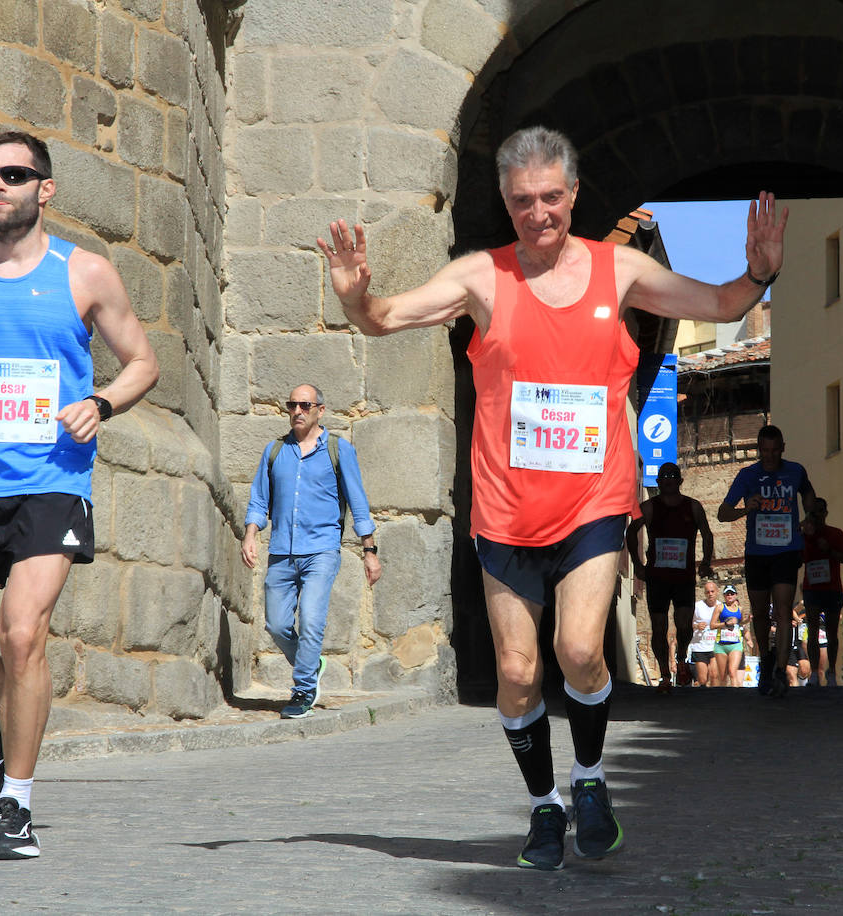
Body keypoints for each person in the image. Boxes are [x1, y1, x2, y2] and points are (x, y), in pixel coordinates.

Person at [317, 125, 786, 870]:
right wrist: (355, 297)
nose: (538, 214)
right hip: (505, 508)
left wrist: (757, 275)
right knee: (515, 671)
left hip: (594, 503)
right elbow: (385, 318)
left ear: (573, 193)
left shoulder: (619, 270)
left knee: (576, 649)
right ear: (506, 203)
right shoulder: (481, 278)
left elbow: (724, 302)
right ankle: (545, 805)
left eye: (550, 198)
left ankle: (592, 780)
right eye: (522, 201)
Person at [0, 131, 159, 860]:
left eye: (14, 174)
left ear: (45, 189)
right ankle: (16, 714)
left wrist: (101, 403)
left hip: (53, 481)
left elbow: (143, 361)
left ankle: (16, 802)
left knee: (22, 634)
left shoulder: (86, 274)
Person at [241, 385, 382, 719]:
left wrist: (370, 551)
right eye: (292, 405)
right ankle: (312, 662)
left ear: (321, 409)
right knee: (276, 625)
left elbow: (358, 502)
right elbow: (260, 499)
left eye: (305, 405)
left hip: (322, 549)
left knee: (312, 620)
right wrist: (250, 535)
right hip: (281, 551)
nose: (297, 411)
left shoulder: (338, 450)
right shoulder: (274, 451)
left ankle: (303, 688)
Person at [717, 425, 815, 698]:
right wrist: (744, 510)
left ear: (783, 447)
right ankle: (767, 659)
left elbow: (809, 495)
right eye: (764, 451)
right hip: (757, 553)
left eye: (774, 451)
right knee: (759, 613)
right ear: (758, 450)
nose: (770, 457)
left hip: (786, 550)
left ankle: (781, 670)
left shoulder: (795, 471)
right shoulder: (748, 475)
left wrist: (809, 517)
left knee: (783, 611)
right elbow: (722, 513)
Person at [626, 462, 715, 692]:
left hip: (683, 577)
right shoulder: (649, 507)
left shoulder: (693, 507)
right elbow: (631, 531)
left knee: (684, 625)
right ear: (658, 482)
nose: (668, 480)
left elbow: (706, 533)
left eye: (672, 476)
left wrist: (706, 562)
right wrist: (638, 564)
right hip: (658, 577)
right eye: (664, 476)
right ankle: (665, 675)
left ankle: (682, 658)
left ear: (679, 481)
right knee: (658, 626)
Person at [799, 498, 843, 686]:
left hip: (832, 588)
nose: (817, 516)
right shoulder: (803, 536)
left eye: (820, 511)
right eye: (813, 512)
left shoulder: (836, 534)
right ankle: (814, 673)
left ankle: (832, 672)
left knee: (831, 632)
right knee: (812, 631)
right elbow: (795, 557)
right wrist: (801, 528)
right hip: (812, 589)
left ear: (826, 513)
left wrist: (829, 550)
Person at [689, 581, 722, 687]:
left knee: (714, 675)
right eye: (707, 592)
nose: (710, 594)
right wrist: (697, 626)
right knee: (703, 679)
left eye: (712, 591)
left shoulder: (721, 607)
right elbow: (687, 622)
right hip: (700, 646)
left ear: (717, 592)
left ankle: (715, 698)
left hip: (715, 646)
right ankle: (703, 699)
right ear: (704, 593)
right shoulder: (697, 606)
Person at [713, 584, 745, 687]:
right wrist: (726, 624)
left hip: (736, 644)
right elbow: (712, 625)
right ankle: (723, 699)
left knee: (732, 672)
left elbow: (741, 623)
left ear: (736, 595)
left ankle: (735, 697)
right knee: (722, 676)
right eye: (727, 594)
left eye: (732, 593)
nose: (730, 596)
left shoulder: (740, 609)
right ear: (724, 595)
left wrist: (748, 619)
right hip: (721, 645)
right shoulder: (720, 607)